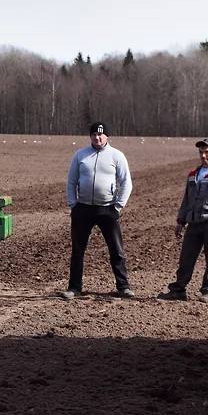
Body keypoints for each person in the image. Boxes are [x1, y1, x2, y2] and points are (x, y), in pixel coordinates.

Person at [61, 121, 133, 299]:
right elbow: (71, 181)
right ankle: (74, 287)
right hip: (83, 209)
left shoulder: (117, 156)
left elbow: (126, 183)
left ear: (107, 136)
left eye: (101, 134)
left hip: (107, 209)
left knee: (116, 249)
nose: (97, 137)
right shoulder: (80, 155)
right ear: (90, 136)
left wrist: (118, 206)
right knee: (78, 250)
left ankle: (123, 286)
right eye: (94, 134)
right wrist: (73, 204)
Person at [157, 139, 208, 304]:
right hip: (193, 224)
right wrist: (181, 221)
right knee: (186, 258)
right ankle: (178, 290)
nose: (203, 155)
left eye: (207, 152)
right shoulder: (193, 175)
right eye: (201, 152)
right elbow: (186, 200)